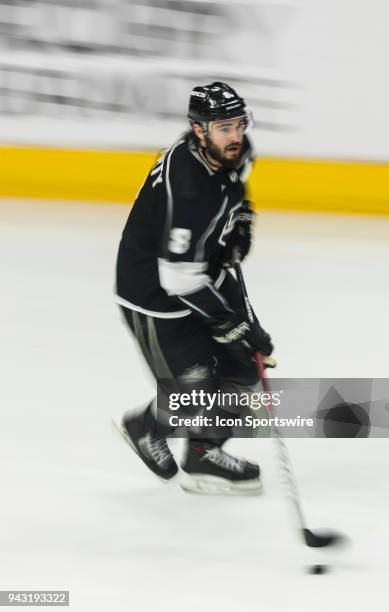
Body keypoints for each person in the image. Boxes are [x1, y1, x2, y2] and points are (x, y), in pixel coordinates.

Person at [115, 82, 273, 495]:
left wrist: (240, 216)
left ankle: (204, 456)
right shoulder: (187, 188)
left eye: (239, 123)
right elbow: (177, 279)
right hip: (155, 295)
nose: (236, 135)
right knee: (192, 394)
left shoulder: (232, 150)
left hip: (204, 272)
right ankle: (146, 425)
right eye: (224, 127)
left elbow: (239, 181)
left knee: (246, 365)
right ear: (198, 130)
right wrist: (231, 323)